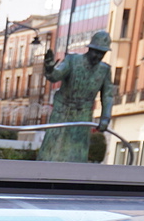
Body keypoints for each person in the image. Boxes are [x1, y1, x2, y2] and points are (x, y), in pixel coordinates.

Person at [38, 29, 116, 163]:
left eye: (101, 53)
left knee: (77, 154)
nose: (98, 56)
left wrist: (105, 118)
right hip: (62, 112)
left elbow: (107, 96)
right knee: (52, 151)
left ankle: (74, 175)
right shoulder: (72, 60)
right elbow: (56, 76)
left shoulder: (105, 70)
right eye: (96, 52)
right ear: (90, 49)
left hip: (83, 115)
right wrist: (49, 68)